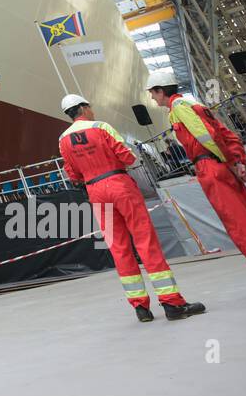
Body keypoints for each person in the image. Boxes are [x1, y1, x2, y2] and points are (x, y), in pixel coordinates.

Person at [146, 72, 246, 304]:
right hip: (222, 164)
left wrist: (232, 163)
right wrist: (238, 161)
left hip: (211, 166)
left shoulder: (178, 108)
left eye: (152, 93)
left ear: (161, 90)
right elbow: (226, 133)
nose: (152, 98)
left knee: (243, 228)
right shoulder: (194, 103)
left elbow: (207, 136)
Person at [57, 93, 205, 322]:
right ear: (84, 108)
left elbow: (73, 174)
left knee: (119, 248)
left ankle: (140, 308)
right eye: (91, 107)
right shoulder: (101, 126)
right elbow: (127, 157)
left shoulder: (62, 139)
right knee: (145, 240)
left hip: (95, 191)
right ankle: (172, 303)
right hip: (118, 184)